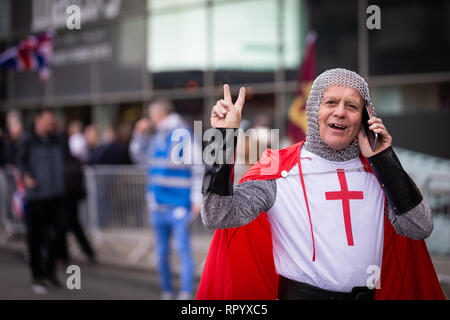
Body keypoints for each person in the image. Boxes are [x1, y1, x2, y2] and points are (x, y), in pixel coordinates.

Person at [197, 69, 445, 300]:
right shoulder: (278, 170)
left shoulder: (380, 173)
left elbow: (419, 227)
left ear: (366, 117)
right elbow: (217, 215)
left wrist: (384, 159)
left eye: (352, 106)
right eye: (331, 102)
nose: (340, 112)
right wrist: (222, 138)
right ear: (314, 110)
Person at [129, 99, 203, 300]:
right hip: (159, 204)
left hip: (178, 204)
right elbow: (140, 159)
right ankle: (169, 292)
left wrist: (196, 200)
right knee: (163, 253)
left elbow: (197, 167)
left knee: (181, 252)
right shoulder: (157, 136)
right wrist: (139, 135)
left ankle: (184, 293)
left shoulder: (181, 134)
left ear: (158, 115)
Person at [18, 108, 68, 294]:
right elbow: (20, 161)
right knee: (36, 238)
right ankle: (37, 276)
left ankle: (50, 270)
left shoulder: (56, 138)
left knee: (60, 233)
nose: (51, 124)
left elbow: (66, 154)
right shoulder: (28, 139)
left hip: (56, 194)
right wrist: (27, 176)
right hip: (37, 196)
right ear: (38, 120)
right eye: (48, 120)